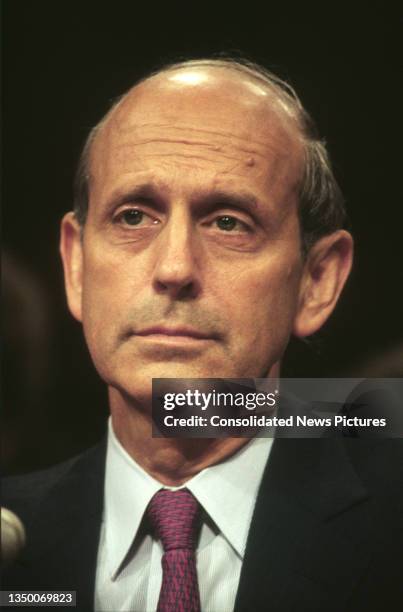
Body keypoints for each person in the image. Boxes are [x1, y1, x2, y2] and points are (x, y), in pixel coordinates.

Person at [2, 58, 402, 612]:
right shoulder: (12, 549)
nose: (173, 268)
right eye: (134, 217)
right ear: (75, 266)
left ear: (317, 280)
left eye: (228, 222)